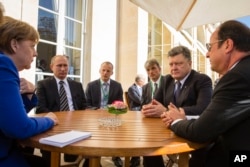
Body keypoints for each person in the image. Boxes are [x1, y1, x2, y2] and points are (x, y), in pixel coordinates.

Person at [162, 20, 250, 167]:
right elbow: (218, 115)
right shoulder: (243, 71)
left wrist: (175, 120)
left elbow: (200, 132)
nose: (207, 54)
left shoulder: (237, 77)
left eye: (210, 46)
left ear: (228, 45)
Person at [0, 14, 58, 167]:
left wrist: (29, 94)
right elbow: (19, 127)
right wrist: (49, 120)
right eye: (32, 45)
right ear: (14, 44)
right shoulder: (3, 64)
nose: (36, 53)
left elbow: (7, 117)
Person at [142, 46, 213, 167]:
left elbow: (202, 108)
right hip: (166, 129)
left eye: (179, 63)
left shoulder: (202, 80)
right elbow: (155, 103)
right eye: (171, 64)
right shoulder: (166, 80)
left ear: (189, 63)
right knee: (147, 146)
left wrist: (165, 111)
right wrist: (148, 108)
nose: (174, 68)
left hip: (191, 131)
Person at [36, 55, 87, 166]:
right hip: (53, 126)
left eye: (65, 65)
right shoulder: (43, 85)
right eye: (59, 66)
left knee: (86, 151)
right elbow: (40, 108)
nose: (63, 69)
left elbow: (84, 105)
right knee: (49, 160)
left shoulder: (77, 85)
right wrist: (57, 119)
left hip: (75, 125)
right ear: (51, 67)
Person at [85, 61, 123, 167]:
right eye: (103, 70)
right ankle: (94, 158)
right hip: (94, 117)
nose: (105, 73)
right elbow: (86, 104)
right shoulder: (91, 85)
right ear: (99, 71)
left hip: (112, 116)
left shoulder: (117, 86)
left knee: (117, 133)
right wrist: (97, 110)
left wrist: (111, 110)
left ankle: (116, 156)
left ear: (112, 73)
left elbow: (120, 105)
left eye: (108, 71)